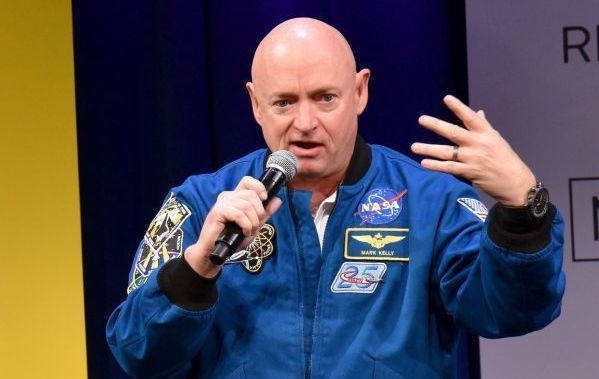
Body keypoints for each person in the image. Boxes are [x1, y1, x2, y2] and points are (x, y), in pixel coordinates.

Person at [106, 17, 565, 378]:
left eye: (325, 98)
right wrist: (198, 268)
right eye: (284, 102)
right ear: (255, 104)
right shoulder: (202, 203)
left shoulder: (431, 203)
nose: (305, 122)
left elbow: (514, 312)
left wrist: (524, 212)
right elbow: (136, 352)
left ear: (360, 91)